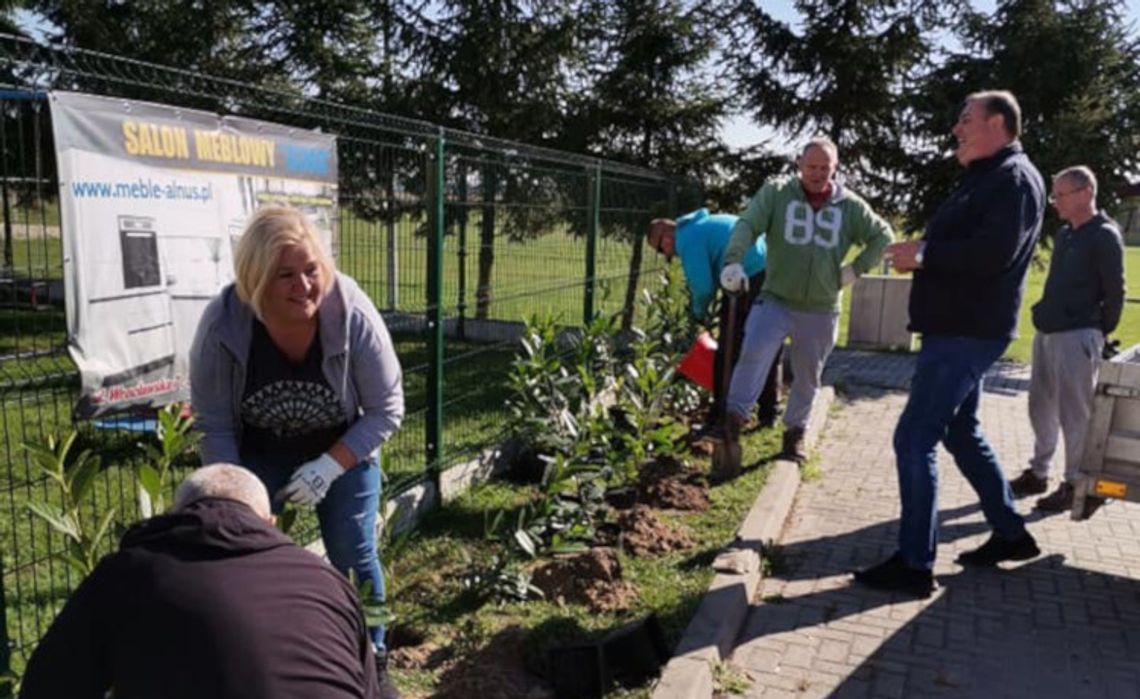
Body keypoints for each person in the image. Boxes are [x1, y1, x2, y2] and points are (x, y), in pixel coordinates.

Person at [189, 204, 404, 693]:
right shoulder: (222, 329)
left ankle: (375, 649)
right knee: (241, 553)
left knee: (353, 550)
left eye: (311, 270)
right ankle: (258, 651)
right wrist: (238, 499)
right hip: (256, 453)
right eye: (285, 274)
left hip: (343, 449)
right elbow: (215, 426)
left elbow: (386, 409)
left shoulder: (352, 315)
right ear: (255, 277)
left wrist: (330, 467)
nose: (304, 286)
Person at [856, 90, 1045, 598]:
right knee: (961, 434)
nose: (956, 129)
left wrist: (924, 254)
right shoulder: (989, 177)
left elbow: (993, 255)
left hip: (966, 333)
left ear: (999, 123)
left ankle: (915, 565)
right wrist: (923, 252)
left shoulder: (1013, 180)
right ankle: (1010, 533)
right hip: (960, 329)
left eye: (966, 119)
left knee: (913, 438)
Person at [19, 464, 382, 699]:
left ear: (177, 515)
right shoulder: (327, 581)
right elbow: (374, 690)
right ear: (268, 522)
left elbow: (46, 688)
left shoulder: (125, 574)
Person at [717, 136, 894, 460]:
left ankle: (794, 434)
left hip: (821, 307)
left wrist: (854, 270)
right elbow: (748, 224)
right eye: (811, 166)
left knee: (808, 375)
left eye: (824, 168)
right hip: (776, 298)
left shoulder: (849, 206)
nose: (817, 174)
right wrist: (733, 260)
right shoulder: (777, 193)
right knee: (753, 353)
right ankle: (732, 421)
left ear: (835, 168)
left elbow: (883, 236)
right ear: (799, 164)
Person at [1007, 166, 1126, 512]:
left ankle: (1075, 483)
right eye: (1054, 194)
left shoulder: (1104, 235)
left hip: (1078, 336)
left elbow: (1115, 291)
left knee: (1075, 414)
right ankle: (1038, 472)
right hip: (1048, 333)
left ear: (1086, 193)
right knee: (1040, 405)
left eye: (1061, 194)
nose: (1054, 201)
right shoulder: (1066, 235)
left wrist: (1099, 331)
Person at [646, 209, 782, 429]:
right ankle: (769, 412)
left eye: (662, 249)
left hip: (748, 276)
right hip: (770, 269)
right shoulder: (704, 225)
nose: (667, 256)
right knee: (767, 342)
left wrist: (697, 314)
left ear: (667, 237)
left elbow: (702, 287)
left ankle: (721, 414)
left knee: (729, 350)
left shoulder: (688, 240)